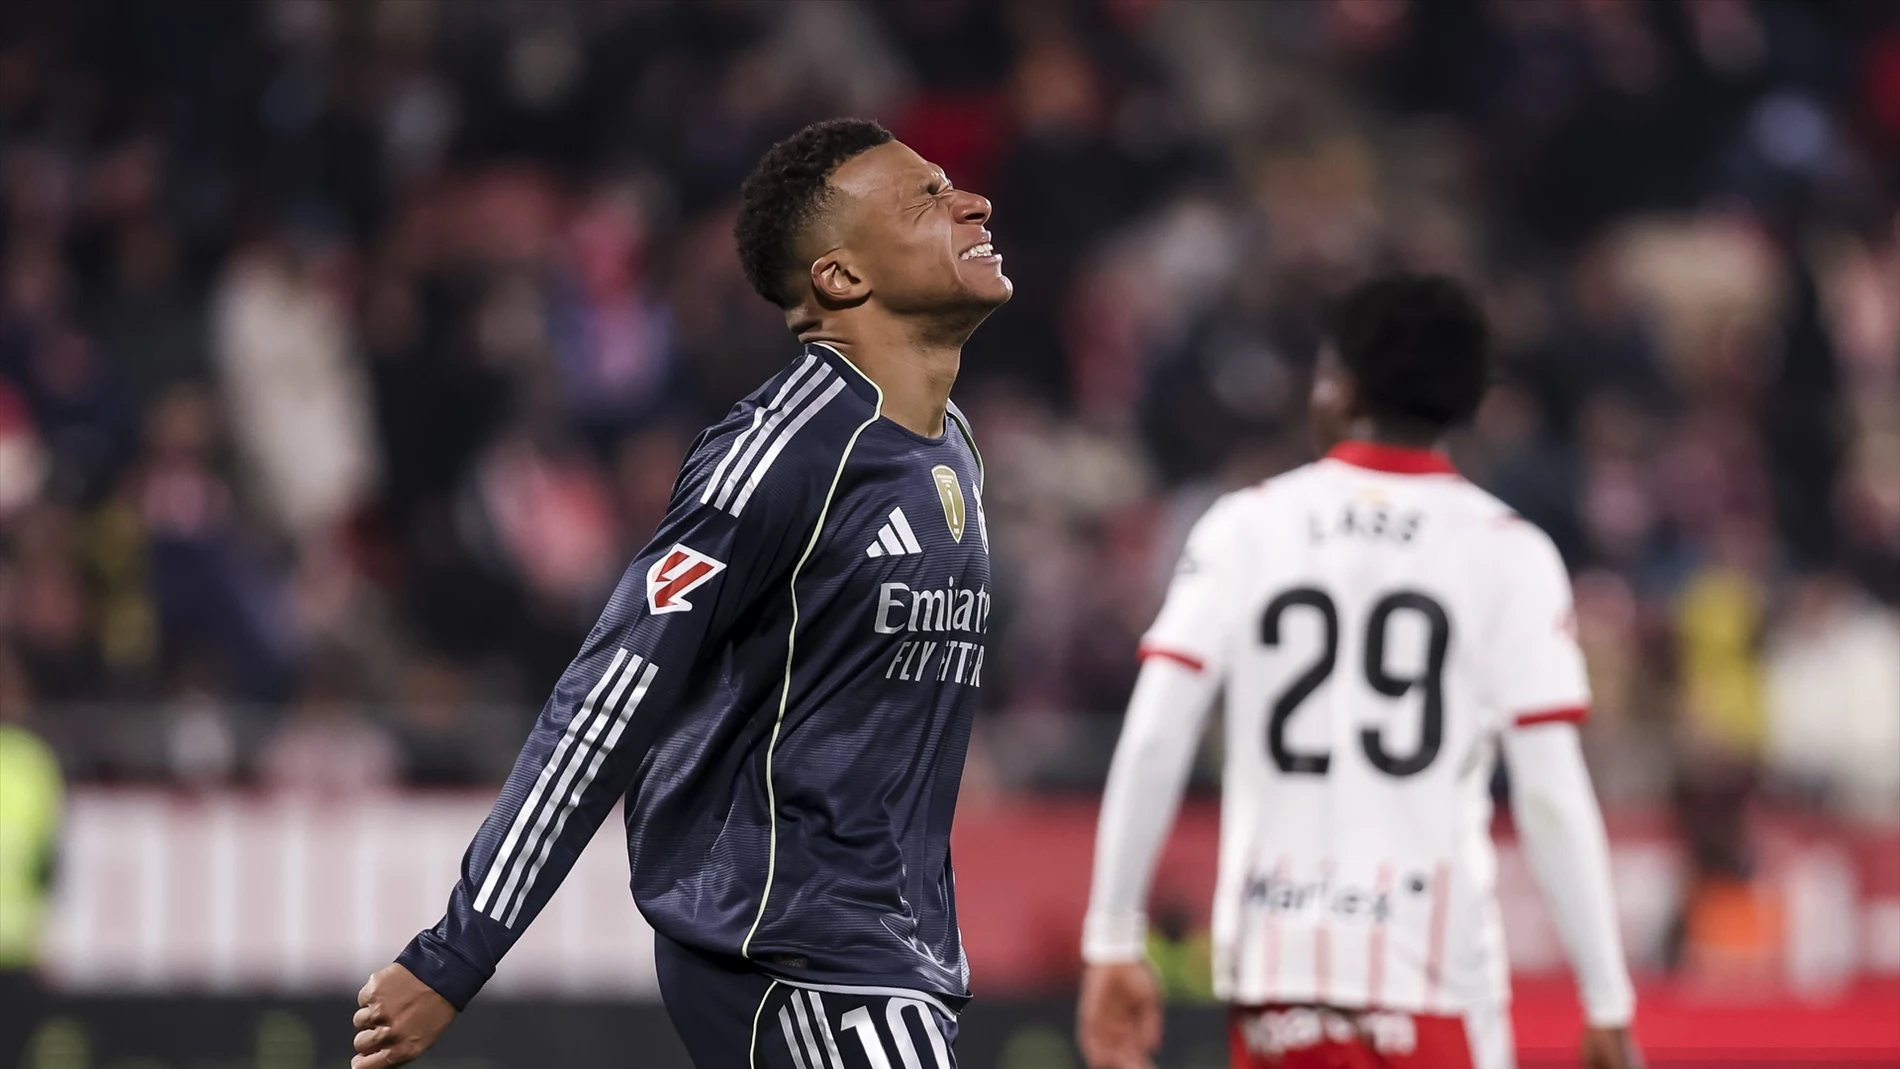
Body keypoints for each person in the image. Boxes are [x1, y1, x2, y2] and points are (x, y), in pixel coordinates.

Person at [351, 118, 1009, 1069]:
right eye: (927, 197)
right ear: (839, 277)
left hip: (891, 963)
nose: (973, 202)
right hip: (797, 961)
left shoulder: (952, 446)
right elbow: (608, 696)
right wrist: (458, 950)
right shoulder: (779, 453)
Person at [1077, 275, 1640, 1069]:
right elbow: (1549, 790)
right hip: (1434, 975)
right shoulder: (1509, 551)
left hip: (1278, 972)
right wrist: (1606, 997)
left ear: (1341, 388)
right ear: (1471, 401)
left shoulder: (1247, 525)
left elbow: (1154, 735)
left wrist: (1112, 935)